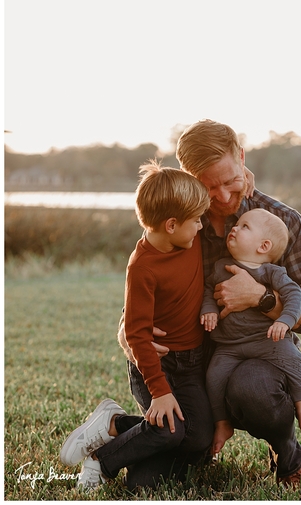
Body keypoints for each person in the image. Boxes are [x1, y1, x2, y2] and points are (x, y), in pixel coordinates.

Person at [117, 119, 301, 488]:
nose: (220, 196)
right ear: (187, 177)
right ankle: (117, 428)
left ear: (242, 158)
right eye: (207, 184)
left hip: (258, 358)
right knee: (160, 472)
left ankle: (286, 452)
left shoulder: (281, 223)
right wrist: (126, 329)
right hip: (187, 361)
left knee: (252, 387)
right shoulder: (180, 220)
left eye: (230, 180)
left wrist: (263, 298)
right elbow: (145, 280)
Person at [60, 161, 213, 490]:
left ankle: (115, 425)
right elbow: (137, 334)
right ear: (171, 225)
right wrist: (159, 391)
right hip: (156, 365)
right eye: (196, 221)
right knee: (164, 441)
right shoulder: (142, 267)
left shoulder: (189, 238)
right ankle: (102, 460)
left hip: (191, 364)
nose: (201, 226)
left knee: (199, 437)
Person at [200, 208, 301, 459]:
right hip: (228, 346)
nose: (235, 228)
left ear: (263, 246)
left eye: (244, 227)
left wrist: (284, 321)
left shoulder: (272, 272)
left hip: (267, 340)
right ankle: (222, 423)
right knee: (214, 376)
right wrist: (209, 310)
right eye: (237, 225)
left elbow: (295, 296)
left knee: (293, 360)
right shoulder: (222, 267)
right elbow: (208, 291)